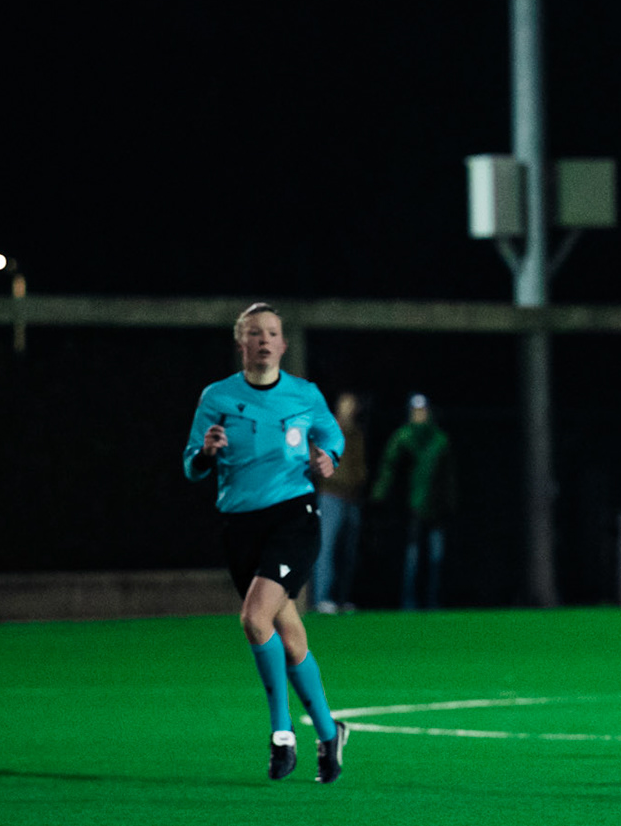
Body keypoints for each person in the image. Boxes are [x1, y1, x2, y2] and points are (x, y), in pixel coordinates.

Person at [183, 302, 351, 783]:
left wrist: (328, 461)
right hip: (240, 524)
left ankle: (282, 736)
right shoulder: (216, 397)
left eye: (272, 333)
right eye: (254, 333)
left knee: (255, 619)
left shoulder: (304, 394)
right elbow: (191, 463)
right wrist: (206, 453)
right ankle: (328, 731)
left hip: (293, 518)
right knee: (287, 630)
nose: (263, 341)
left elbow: (332, 439)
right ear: (241, 344)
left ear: (282, 343)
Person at [371, 393, 457, 610]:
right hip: (410, 508)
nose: (419, 415)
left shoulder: (439, 440)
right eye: (416, 411)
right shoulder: (403, 438)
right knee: (412, 559)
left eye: (423, 411)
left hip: (435, 507)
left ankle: (433, 601)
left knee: (436, 558)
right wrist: (380, 494)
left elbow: (447, 477)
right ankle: (409, 603)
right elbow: (389, 468)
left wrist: (449, 502)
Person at [312, 391, 368, 614]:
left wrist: (359, 481)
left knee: (348, 551)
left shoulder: (357, 433)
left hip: (352, 498)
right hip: (331, 496)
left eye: (352, 406)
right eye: (346, 405)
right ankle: (323, 598)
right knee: (327, 547)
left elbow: (360, 465)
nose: (349, 410)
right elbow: (315, 460)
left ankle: (342, 598)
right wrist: (333, 479)